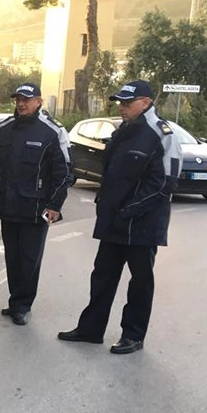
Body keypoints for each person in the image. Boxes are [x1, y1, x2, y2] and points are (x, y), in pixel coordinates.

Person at [58, 80, 183, 354]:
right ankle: (91, 329)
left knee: (140, 282)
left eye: (128, 102)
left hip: (143, 223)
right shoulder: (123, 131)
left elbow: (165, 184)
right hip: (114, 220)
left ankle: (133, 336)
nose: (121, 106)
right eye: (120, 102)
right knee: (102, 276)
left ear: (146, 103)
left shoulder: (162, 134)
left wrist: (131, 210)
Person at [0, 82, 72, 326]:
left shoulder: (51, 131)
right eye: (18, 99)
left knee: (29, 259)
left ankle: (23, 305)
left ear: (39, 102)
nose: (21, 104)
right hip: (8, 206)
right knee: (12, 258)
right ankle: (15, 300)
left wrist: (55, 205)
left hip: (36, 209)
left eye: (27, 99)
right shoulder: (5, 129)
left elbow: (64, 173)